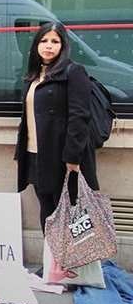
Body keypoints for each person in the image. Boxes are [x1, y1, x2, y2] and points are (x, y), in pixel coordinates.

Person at [14, 22, 97, 232]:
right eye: (43, 41)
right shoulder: (33, 76)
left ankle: (71, 263)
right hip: (34, 154)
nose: (48, 46)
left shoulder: (73, 72)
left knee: (70, 213)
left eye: (55, 41)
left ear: (63, 45)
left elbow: (80, 116)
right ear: (36, 45)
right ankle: (53, 263)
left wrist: (72, 158)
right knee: (47, 210)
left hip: (62, 156)